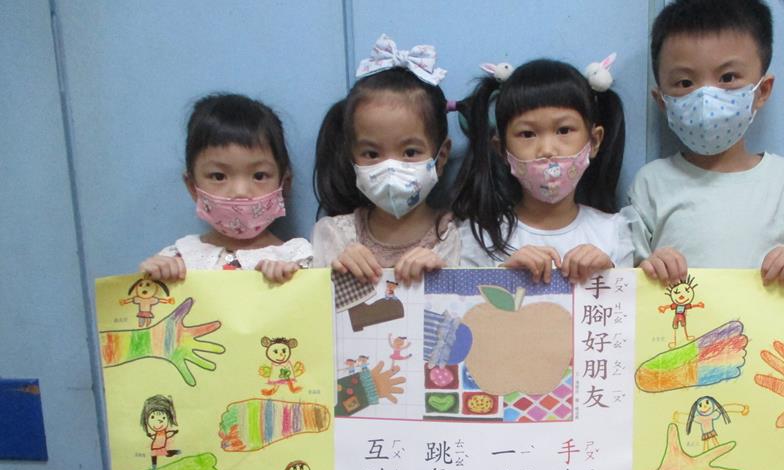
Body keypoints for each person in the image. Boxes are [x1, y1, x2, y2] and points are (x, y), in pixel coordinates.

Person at [630, 0, 784, 285]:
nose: (706, 97)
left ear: (762, 90)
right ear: (662, 101)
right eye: (685, 83)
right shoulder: (651, 184)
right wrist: (649, 267)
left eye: (727, 77)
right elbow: (627, 280)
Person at [452, 56, 636, 284]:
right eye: (527, 134)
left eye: (564, 130)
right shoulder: (480, 237)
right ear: (502, 150)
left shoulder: (614, 233)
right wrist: (503, 278)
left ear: (594, 141)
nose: (547, 150)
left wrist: (609, 275)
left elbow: (631, 304)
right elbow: (466, 304)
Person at [312, 34, 459, 298]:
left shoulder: (456, 236)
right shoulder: (335, 235)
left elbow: (469, 310)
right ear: (351, 156)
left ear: (442, 156)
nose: (390, 167)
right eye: (371, 153)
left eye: (410, 152)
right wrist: (339, 272)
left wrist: (443, 277)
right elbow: (316, 309)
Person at [139, 93, 311, 283]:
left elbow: (315, 298)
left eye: (259, 176)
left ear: (284, 184)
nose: (240, 191)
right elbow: (145, 297)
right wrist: (155, 278)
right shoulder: (179, 258)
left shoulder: (297, 258)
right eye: (218, 176)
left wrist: (292, 281)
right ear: (192, 186)